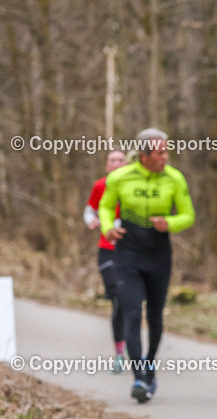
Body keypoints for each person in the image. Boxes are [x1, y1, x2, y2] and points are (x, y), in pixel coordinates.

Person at [99, 128, 195, 403]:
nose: (166, 156)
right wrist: (107, 227)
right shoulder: (120, 177)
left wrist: (171, 223)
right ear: (143, 155)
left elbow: (188, 214)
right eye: (160, 152)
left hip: (159, 252)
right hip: (128, 252)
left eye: (167, 150)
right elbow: (105, 207)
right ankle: (138, 376)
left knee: (155, 316)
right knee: (131, 313)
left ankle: (150, 365)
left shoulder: (175, 178)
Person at [84, 148, 128, 373]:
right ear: (106, 165)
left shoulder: (133, 187)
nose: (117, 163)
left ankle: (135, 348)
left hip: (131, 251)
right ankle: (120, 352)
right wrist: (92, 221)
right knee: (118, 298)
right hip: (108, 250)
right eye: (112, 160)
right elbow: (89, 211)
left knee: (132, 301)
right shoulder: (100, 185)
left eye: (121, 159)